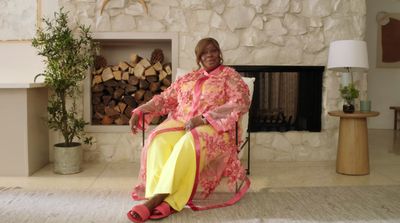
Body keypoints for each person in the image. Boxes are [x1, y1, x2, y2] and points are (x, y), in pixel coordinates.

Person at [127, 37, 251, 223]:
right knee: (157, 139)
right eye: (204, 52)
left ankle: (159, 201)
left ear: (219, 53)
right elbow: (165, 98)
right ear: (198, 57)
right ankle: (161, 196)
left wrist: (203, 118)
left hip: (215, 127)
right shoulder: (189, 77)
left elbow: (240, 103)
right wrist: (141, 109)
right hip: (181, 122)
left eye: (213, 50)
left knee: (189, 143)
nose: (209, 55)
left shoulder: (230, 76)